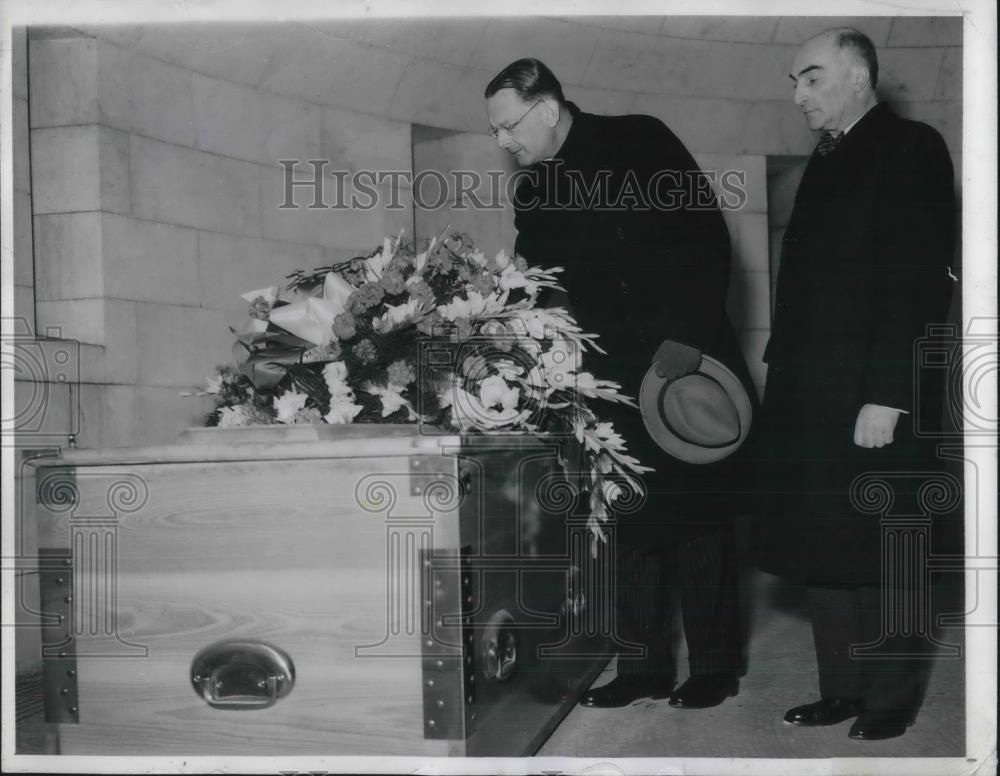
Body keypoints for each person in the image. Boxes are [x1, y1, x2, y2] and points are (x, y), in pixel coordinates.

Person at [484, 58, 758, 710]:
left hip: (681, 360)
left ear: (547, 107)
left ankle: (715, 668)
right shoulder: (534, 190)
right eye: (494, 132)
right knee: (627, 517)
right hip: (607, 373)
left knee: (696, 516)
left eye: (509, 127)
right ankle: (643, 668)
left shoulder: (641, 139)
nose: (504, 143)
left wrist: (688, 338)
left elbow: (706, 235)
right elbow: (536, 277)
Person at [753, 29, 957, 741]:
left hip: (874, 388)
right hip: (812, 389)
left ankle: (891, 700)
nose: (797, 93)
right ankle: (840, 689)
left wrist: (890, 392)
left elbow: (918, 280)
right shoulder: (827, 156)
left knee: (887, 547)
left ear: (860, 75)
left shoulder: (913, 147)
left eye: (811, 77)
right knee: (827, 543)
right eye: (793, 80)